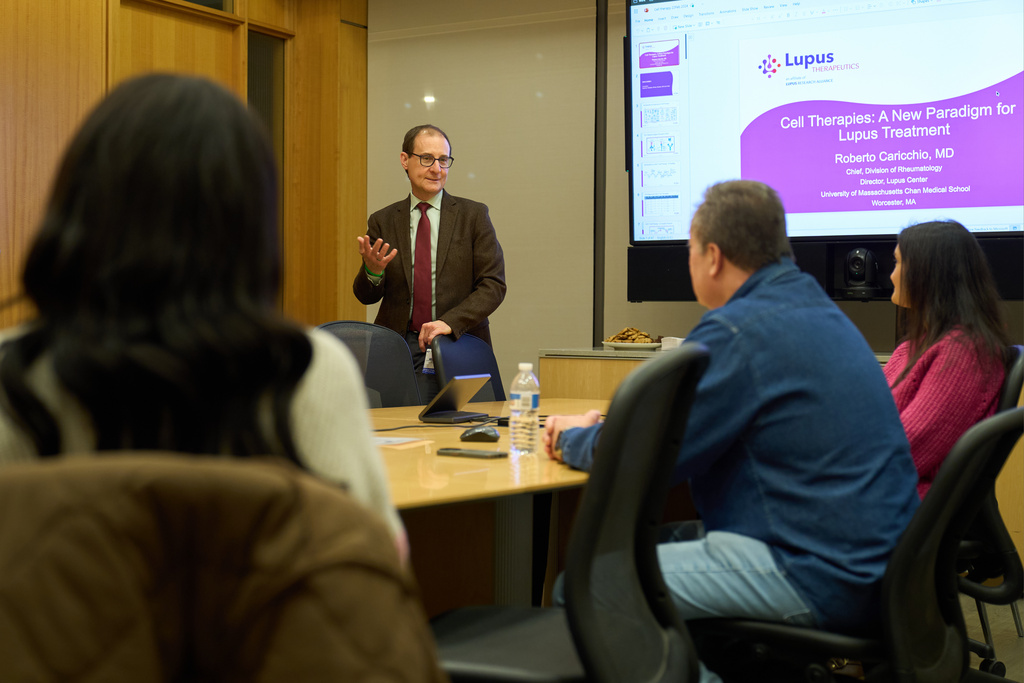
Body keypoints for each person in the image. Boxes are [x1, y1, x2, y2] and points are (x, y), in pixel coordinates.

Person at [0, 73, 407, 560]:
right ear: (252, 220)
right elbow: (378, 559)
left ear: (79, 204)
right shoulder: (307, 369)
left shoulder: (15, 372)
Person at [543, 181, 920, 682]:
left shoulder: (737, 330)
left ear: (713, 257)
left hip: (818, 570)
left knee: (590, 584)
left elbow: (644, 456)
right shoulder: (818, 311)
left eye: (690, 251)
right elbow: (687, 424)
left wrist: (570, 438)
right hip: (881, 565)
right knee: (645, 548)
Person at [353, 124, 506, 401]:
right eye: (427, 159)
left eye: (443, 160)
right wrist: (372, 272)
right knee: (403, 432)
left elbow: (493, 285)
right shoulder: (383, 220)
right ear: (405, 160)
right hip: (399, 347)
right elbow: (366, 296)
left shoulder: (473, 216)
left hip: (458, 341)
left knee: (466, 430)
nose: (437, 168)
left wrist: (449, 322)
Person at [885, 220, 1008, 498]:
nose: (892, 275)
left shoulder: (965, 353)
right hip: (879, 489)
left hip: (901, 502)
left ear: (928, 275)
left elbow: (907, 451)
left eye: (898, 264)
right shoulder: (911, 347)